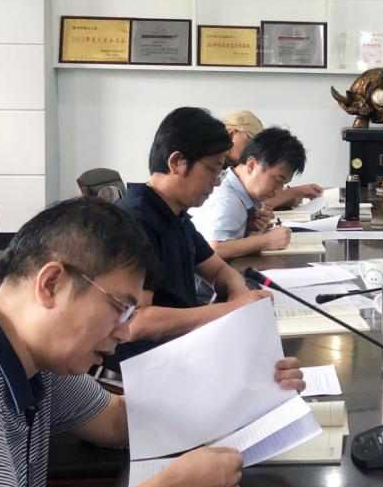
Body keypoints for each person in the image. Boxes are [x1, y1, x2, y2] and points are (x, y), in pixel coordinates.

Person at [0, 198, 304, 487]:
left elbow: (117, 421)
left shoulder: (24, 352)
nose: (125, 332)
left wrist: (248, 385)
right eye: (120, 308)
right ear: (51, 284)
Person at [103, 107, 278, 369]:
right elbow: (136, 322)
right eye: (213, 169)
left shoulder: (175, 214)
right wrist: (233, 309)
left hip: (182, 348)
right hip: (147, 367)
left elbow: (218, 269)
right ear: (176, 162)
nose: (217, 182)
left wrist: (239, 294)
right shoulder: (137, 222)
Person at [191, 127, 308, 259]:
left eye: (284, 183)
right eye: (278, 180)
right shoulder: (227, 199)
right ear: (252, 165)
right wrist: (266, 241)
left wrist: (249, 230)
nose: (278, 190)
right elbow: (214, 250)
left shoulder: (235, 188)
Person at [223, 110, 323, 210]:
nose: (252, 149)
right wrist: (294, 193)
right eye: (249, 141)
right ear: (231, 134)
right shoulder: (219, 172)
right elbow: (259, 199)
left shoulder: (235, 167)